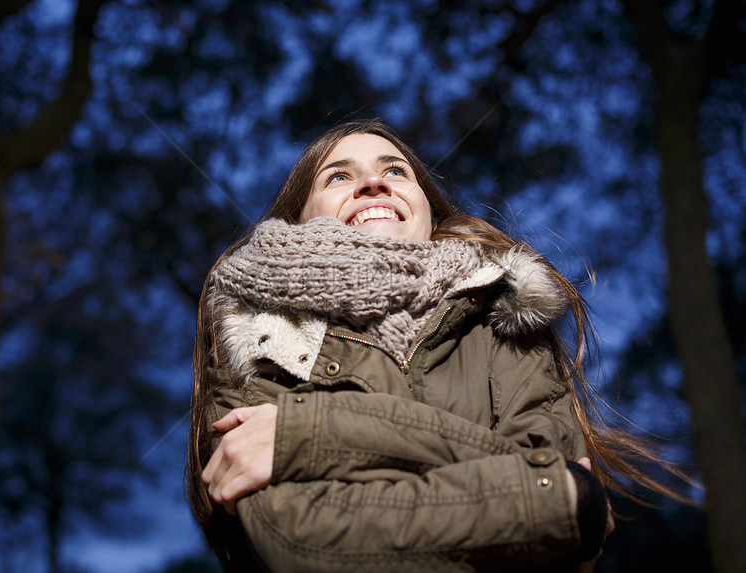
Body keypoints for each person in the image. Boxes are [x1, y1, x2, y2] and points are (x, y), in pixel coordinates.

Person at [187, 119, 675, 572]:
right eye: (337, 177)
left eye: (395, 170)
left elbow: (558, 529)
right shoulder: (254, 335)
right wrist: (535, 495)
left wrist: (313, 435)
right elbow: (301, 538)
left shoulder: (500, 318)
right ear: (297, 217)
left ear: (426, 206)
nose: (373, 183)